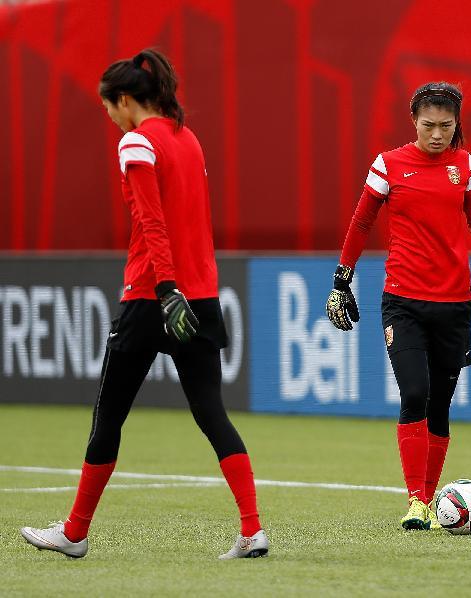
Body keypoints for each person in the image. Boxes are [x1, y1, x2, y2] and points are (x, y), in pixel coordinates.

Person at [19, 49, 268, 560]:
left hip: (152, 295)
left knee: (108, 417)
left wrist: (165, 286)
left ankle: (75, 533)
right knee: (212, 413)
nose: (109, 116)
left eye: (108, 106)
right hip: (198, 296)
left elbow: (151, 224)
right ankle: (252, 530)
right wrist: (186, 288)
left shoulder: (135, 143)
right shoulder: (187, 139)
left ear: (126, 100)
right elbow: (193, 225)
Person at [326, 81, 471, 530]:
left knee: (441, 406)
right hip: (403, 301)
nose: (436, 134)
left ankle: (429, 501)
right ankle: (414, 501)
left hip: (454, 303)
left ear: (456, 124)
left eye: (446, 126)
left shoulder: (464, 165)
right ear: (414, 120)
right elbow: (361, 221)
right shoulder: (388, 165)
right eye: (429, 125)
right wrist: (341, 281)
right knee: (414, 394)